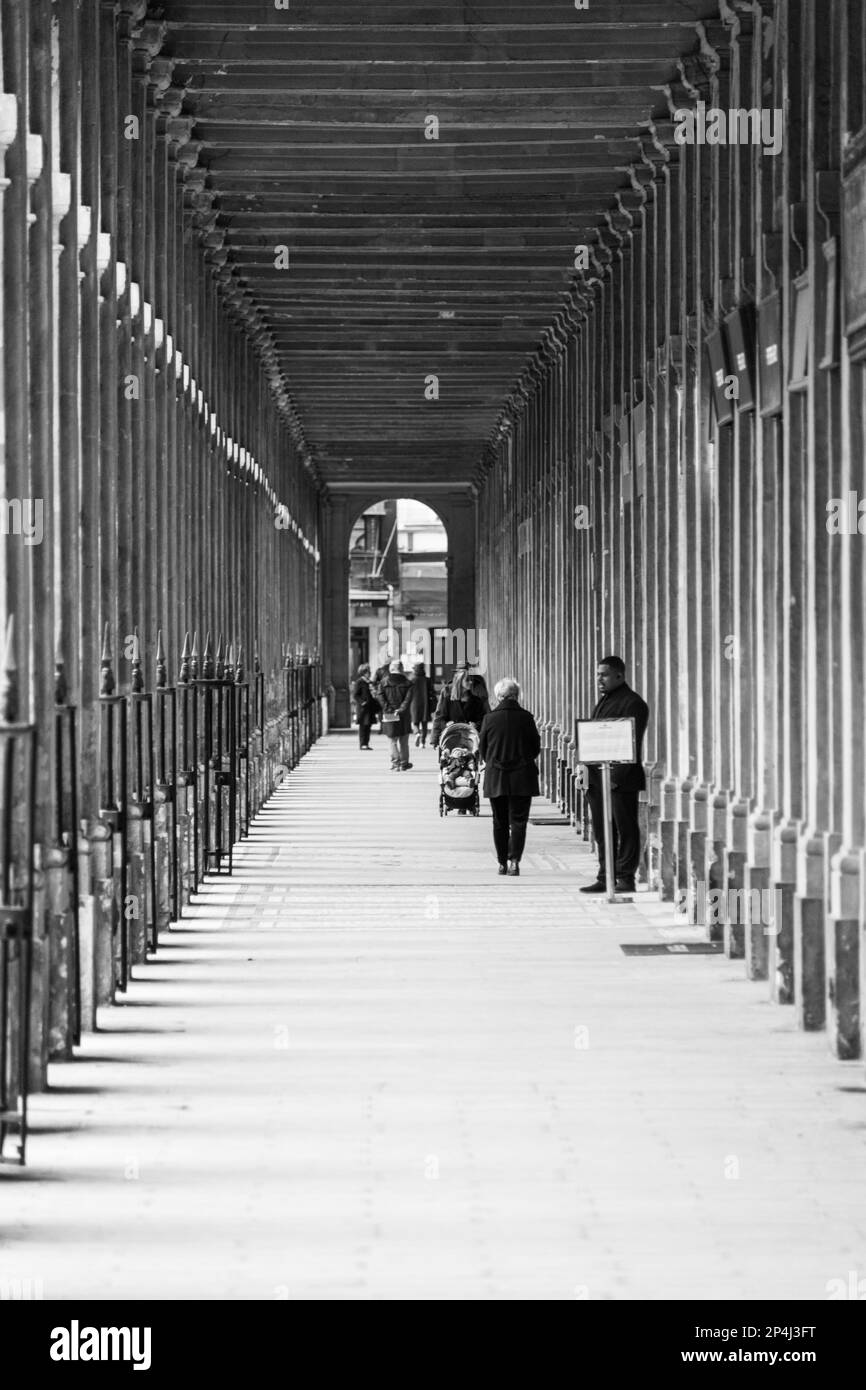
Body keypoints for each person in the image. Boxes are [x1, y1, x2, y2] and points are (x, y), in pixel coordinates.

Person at [578, 655, 649, 894]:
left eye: (604, 674)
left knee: (624, 827)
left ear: (620, 675)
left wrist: (615, 779)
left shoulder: (633, 703)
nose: (599, 679)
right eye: (597, 674)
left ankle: (625, 877)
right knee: (602, 829)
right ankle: (605, 874)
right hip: (598, 778)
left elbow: (632, 742)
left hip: (620, 779)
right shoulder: (604, 701)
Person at [478, 677, 540, 877]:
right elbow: (535, 748)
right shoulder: (527, 717)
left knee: (499, 821)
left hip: (497, 776)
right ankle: (514, 861)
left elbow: (483, 749)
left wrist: (495, 762)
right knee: (519, 821)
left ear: (498, 697)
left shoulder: (489, 719)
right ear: (517, 696)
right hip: (522, 776)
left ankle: (502, 863)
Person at [430, 667, 490, 746]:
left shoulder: (476, 701)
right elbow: (440, 718)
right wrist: (445, 725)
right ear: (460, 681)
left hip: (470, 742)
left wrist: (476, 725)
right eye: (467, 680)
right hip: (450, 740)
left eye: (471, 679)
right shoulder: (448, 699)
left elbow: (483, 718)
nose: (471, 682)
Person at [377, 659, 413, 770]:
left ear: (391, 668)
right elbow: (408, 699)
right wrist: (401, 709)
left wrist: (388, 709)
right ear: (402, 669)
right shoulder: (408, 683)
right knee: (404, 740)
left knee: (392, 740)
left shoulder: (383, 682)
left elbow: (380, 697)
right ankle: (404, 763)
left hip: (389, 713)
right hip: (404, 714)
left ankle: (395, 763)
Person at [350, 663, 378, 750]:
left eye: (369, 671)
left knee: (368, 726)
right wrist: (362, 702)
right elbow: (355, 695)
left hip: (370, 707)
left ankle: (366, 743)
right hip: (363, 708)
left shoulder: (370, 682)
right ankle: (362, 744)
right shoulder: (359, 682)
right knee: (363, 726)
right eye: (368, 672)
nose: (370, 673)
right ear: (364, 672)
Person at [408, 660, 431, 748]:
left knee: (415, 722)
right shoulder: (427, 679)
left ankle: (417, 733)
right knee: (424, 724)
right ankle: (422, 742)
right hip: (425, 703)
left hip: (414, 703)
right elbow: (431, 692)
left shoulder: (411, 679)